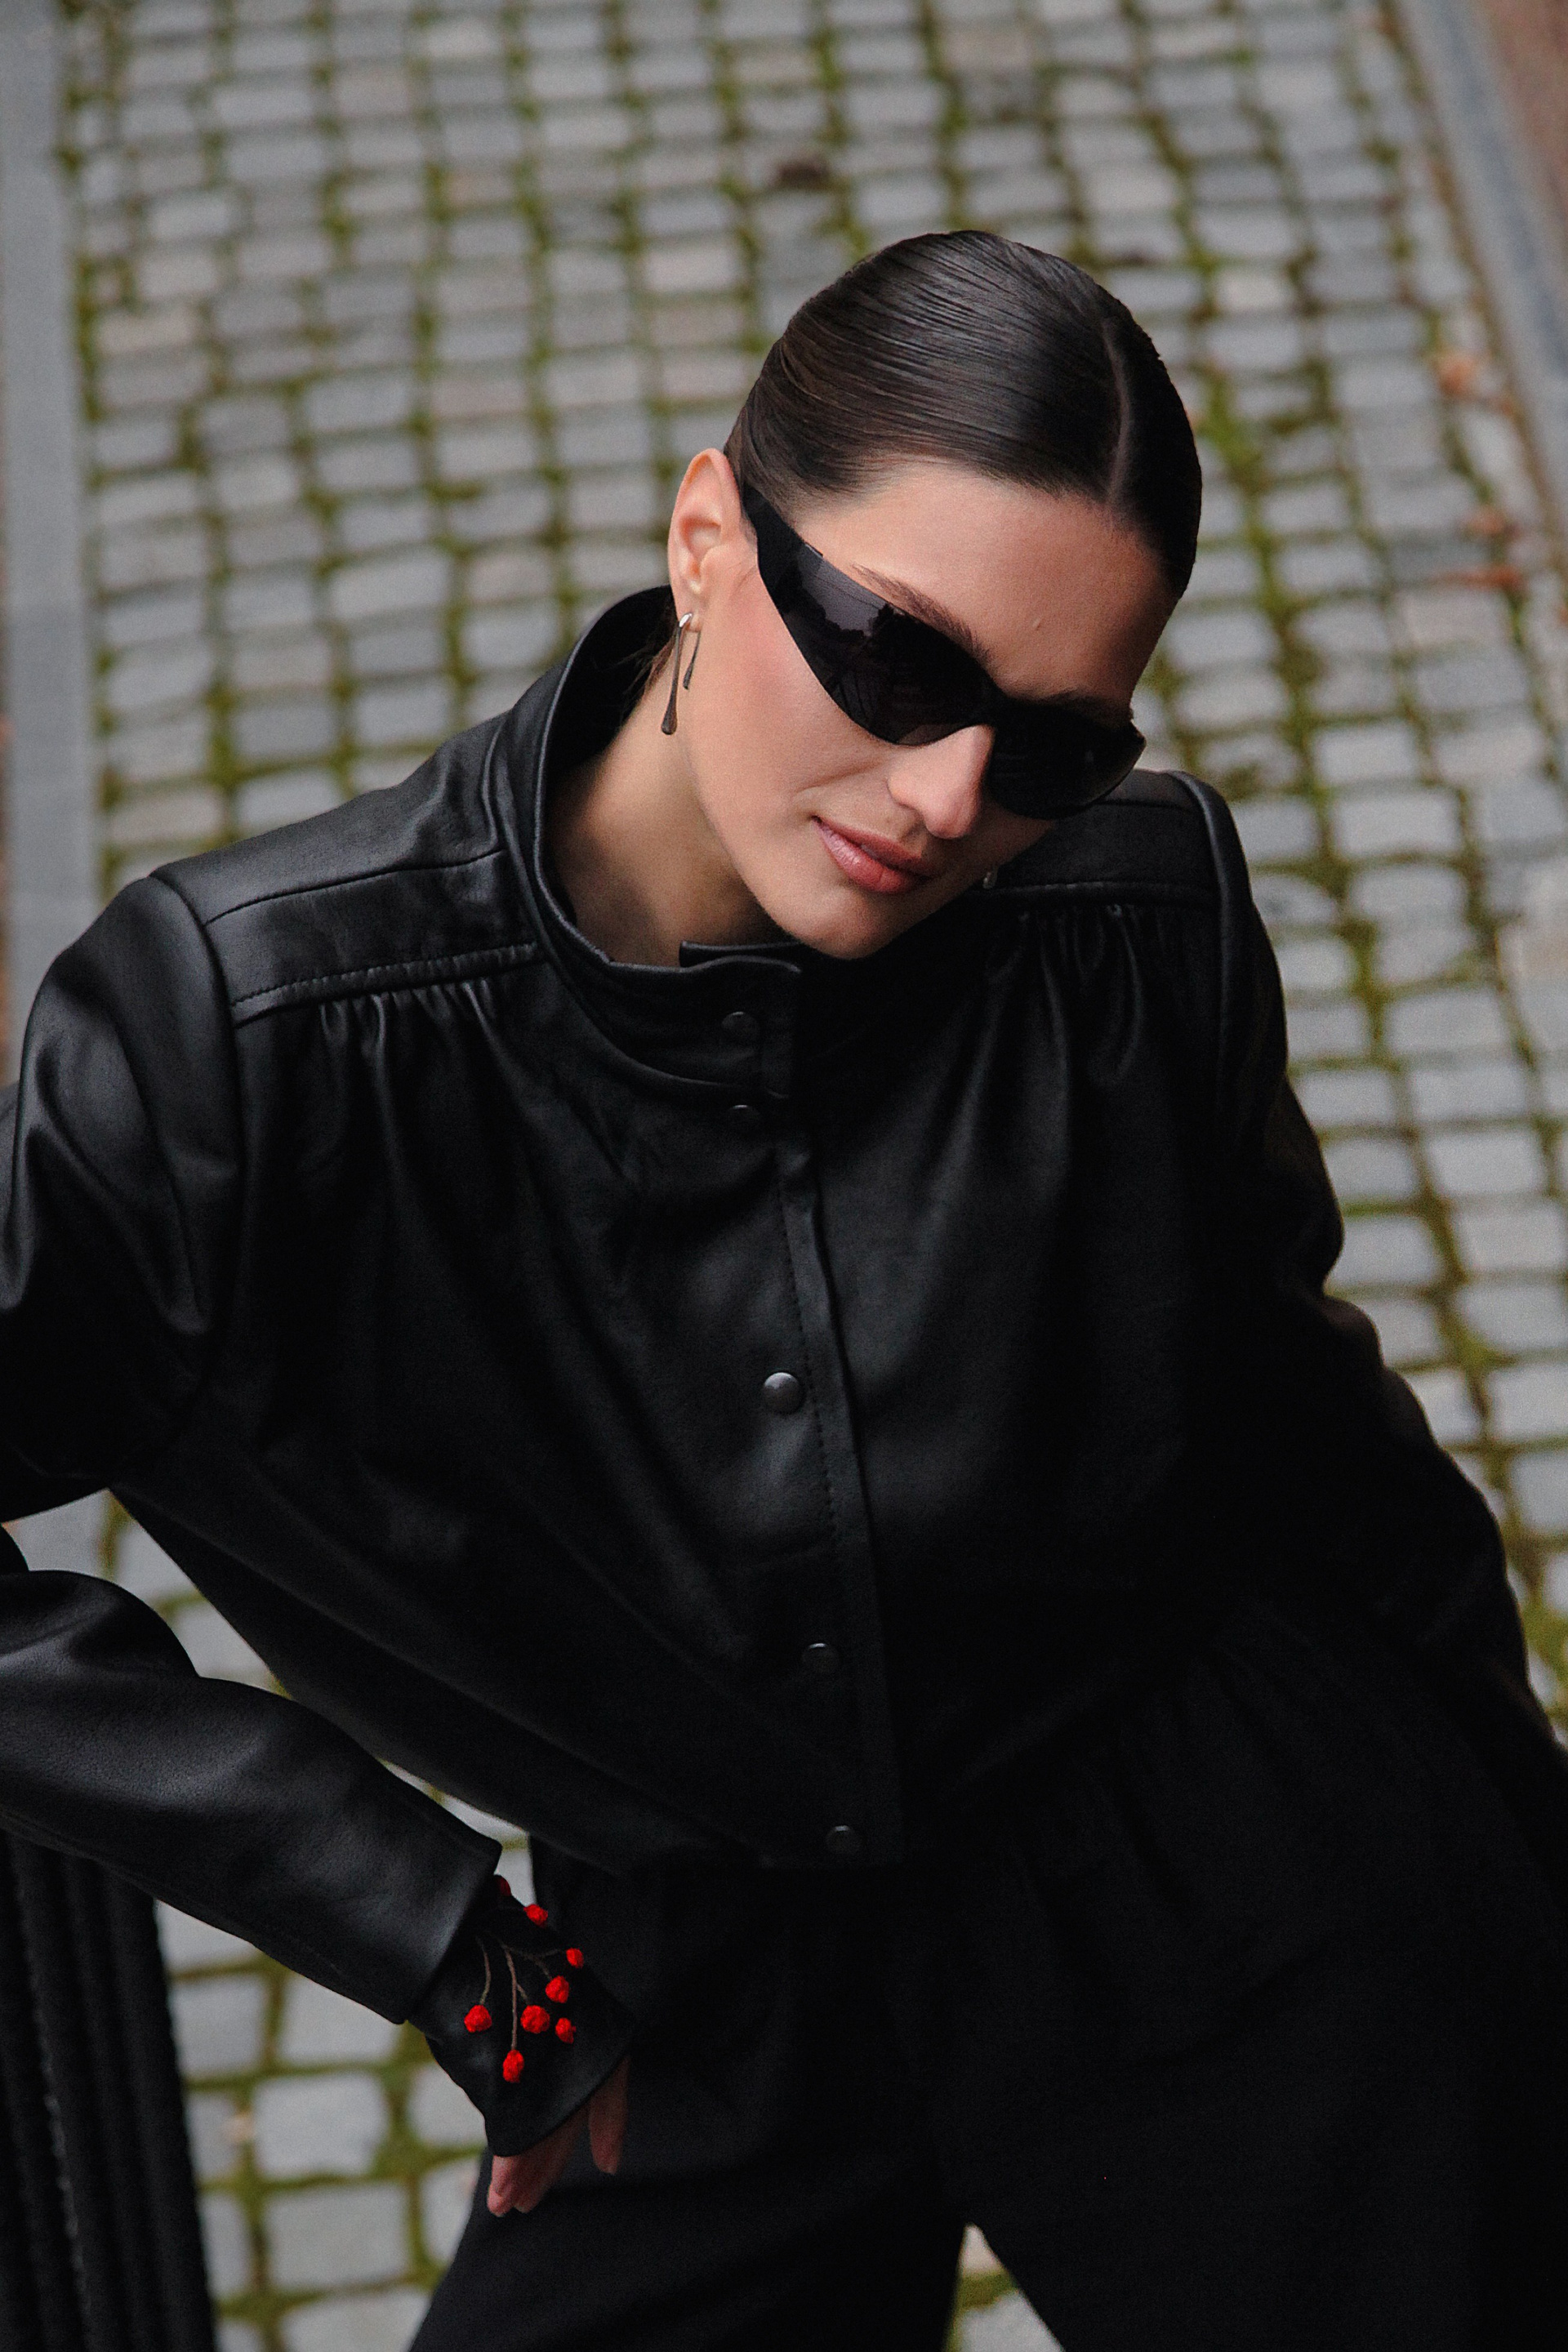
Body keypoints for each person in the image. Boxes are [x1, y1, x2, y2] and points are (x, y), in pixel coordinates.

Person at [2, 232, 1566, 2352]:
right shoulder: (254, 1041)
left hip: (1216, 1883)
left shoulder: (1131, 921)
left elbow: (1323, 1451)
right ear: (708, 536)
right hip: (695, 1987)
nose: (948, 799)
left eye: (1054, 747)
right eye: (902, 663)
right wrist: (442, 1937)